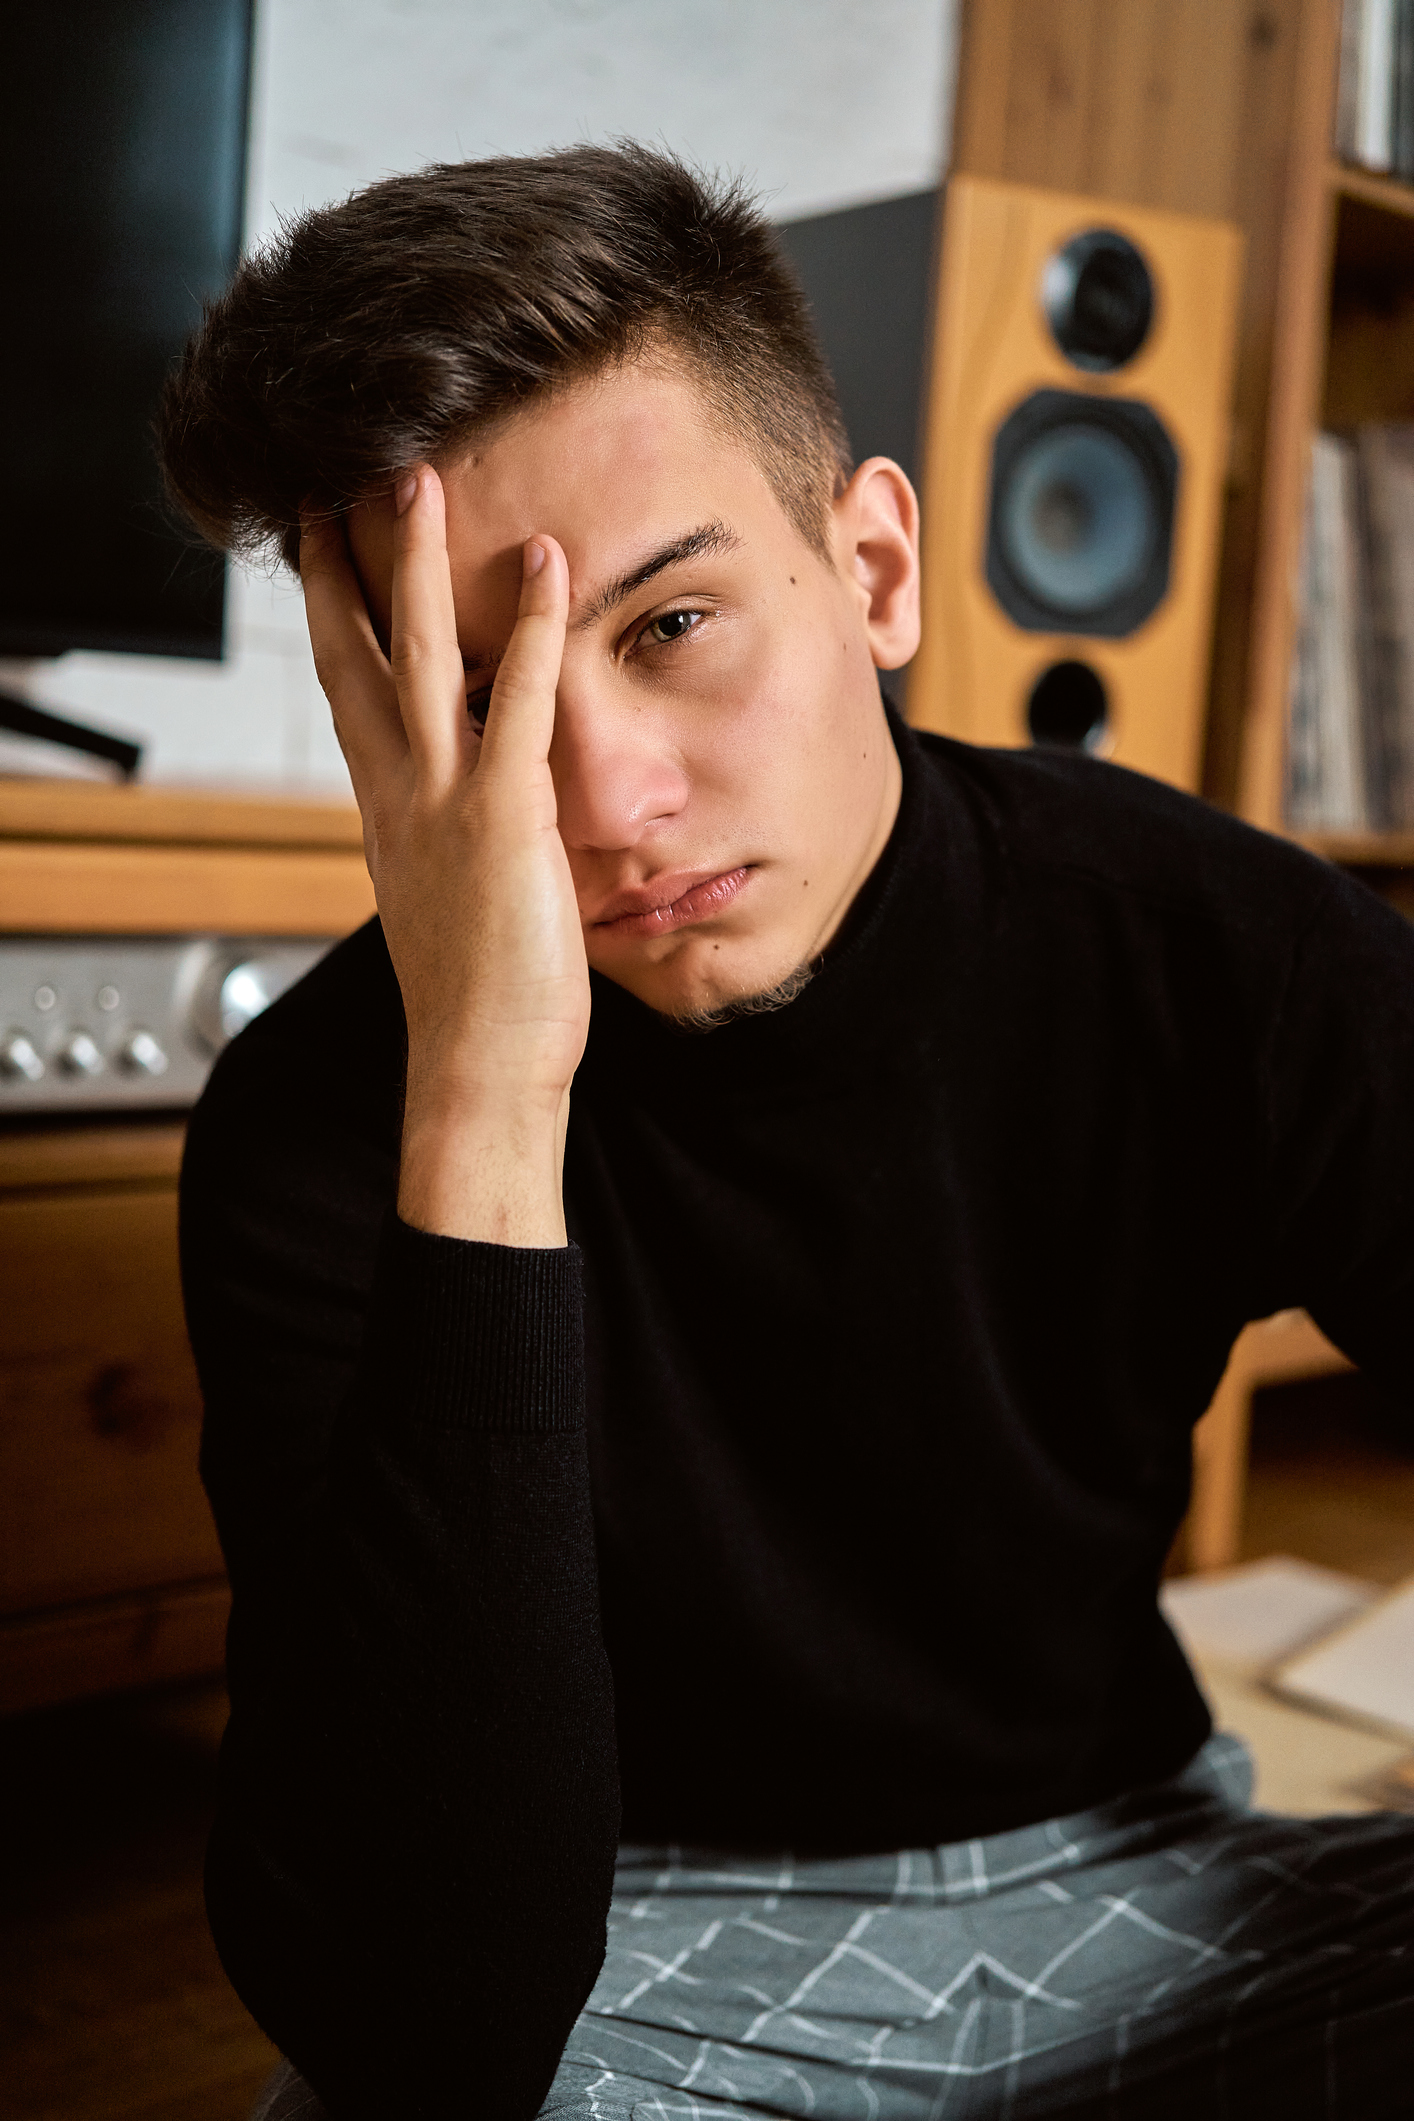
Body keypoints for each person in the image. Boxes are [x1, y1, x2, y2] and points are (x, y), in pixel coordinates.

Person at [160, 145, 1414, 2121]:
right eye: (471, 692)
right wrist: (480, 1095)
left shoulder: (1211, 943)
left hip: (1151, 1876)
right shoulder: (320, 1126)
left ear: (875, 569)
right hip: (625, 1966)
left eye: (668, 625)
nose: (605, 797)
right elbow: (429, 2006)